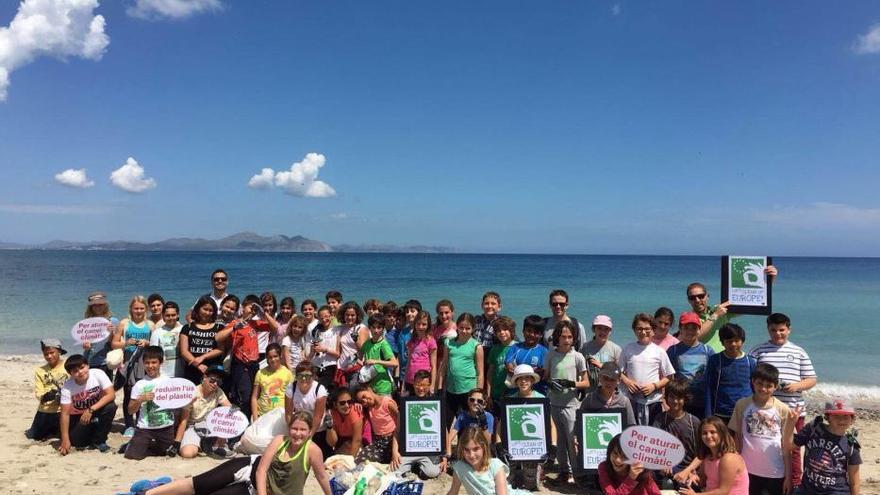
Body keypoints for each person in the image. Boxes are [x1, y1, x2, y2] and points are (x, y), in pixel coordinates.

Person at [141, 411, 332, 495]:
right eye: (294, 428)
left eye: (302, 430)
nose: (297, 434)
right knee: (199, 485)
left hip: (252, 490)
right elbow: (261, 471)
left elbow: (322, 477)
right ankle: (149, 492)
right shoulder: (279, 441)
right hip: (248, 467)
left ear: (309, 432)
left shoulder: (313, 451)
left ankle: (166, 486)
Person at [750, 312, 817, 489]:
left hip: (794, 410)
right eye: (773, 330)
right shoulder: (758, 351)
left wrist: (796, 386)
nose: (778, 334)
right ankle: (771, 478)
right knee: (767, 444)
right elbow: (751, 378)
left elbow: (812, 379)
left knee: (792, 448)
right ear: (768, 330)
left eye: (782, 330)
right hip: (766, 409)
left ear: (789, 330)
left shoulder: (798, 351)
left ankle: (795, 483)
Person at [728, 363, 795, 495]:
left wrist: (788, 477)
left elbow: (787, 447)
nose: (763, 389)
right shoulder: (742, 405)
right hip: (747, 470)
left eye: (769, 386)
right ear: (753, 382)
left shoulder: (783, 409)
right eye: (759, 383)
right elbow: (737, 439)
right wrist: (736, 466)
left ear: (775, 386)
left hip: (776, 472)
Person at [685, 263, 777, 353]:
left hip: (723, 360)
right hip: (702, 362)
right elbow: (694, 337)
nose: (697, 300)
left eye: (700, 296)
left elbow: (751, 303)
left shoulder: (720, 309)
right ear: (688, 300)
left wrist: (768, 280)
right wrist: (715, 315)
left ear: (707, 296)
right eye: (692, 298)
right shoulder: (688, 319)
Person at [216, 294, 279, 419]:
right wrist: (234, 328)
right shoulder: (235, 322)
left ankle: (249, 420)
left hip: (254, 364)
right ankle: (239, 422)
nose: (252, 311)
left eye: (255, 309)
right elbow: (218, 337)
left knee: (253, 395)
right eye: (250, 308)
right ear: (242, 308)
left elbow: (275, 327)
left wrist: (264, 312)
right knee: (243, 396)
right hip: (240, 364)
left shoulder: (255, 323)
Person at [545, 319, 590, 484]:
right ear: (557, 337)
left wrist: (571, 384)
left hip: (571, 404)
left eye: (570, 337)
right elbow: (546, 376)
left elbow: (587, 382)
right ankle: (564, 471)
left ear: (574, 338)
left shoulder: (577, 356)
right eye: (563, 336)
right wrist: (551, 383)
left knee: (572, 440)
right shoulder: (551, 354)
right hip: (554, 402)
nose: (566, 340)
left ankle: (577, 473)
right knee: (560, 441)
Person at [793, 398, 861, 495]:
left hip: (836, 491)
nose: (841, 420)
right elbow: (789, 446)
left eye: (846, 416)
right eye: (836, 416)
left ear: (852, 419)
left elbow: (854, 482)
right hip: (807, 489)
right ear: (827, 417)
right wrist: (791, 423)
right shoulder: (814, 429)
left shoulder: (851, 444)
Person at [618, 313, 675, 425]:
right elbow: (618, 372)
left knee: (653, 433)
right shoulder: (628, 348)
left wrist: (654, 386)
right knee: (632, 433)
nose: (643, 332)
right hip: (631, 400)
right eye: (639, 329)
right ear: (634, 330)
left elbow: (669, 376)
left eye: (647, 329)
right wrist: (628, 382)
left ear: (653, 330)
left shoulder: (659, 351)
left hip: (653, 401)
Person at [112, 295, 155, 435]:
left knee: (144, 392)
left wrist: (147, 343)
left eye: (142, 308)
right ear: (131, 308)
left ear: (146, 309)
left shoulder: (150, 325)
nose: (139, 311)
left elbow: (155, 345)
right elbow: (114, 343)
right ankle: (129, 425)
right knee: (129, 393)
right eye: (136, 308)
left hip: (145, 362)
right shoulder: (124, 323)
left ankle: (141, 422)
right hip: (128, 362)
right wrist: (126, 343)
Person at [58, 354, 118, 455]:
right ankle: (93, 432)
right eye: (75, 371)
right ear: (70, 374)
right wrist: (65, 439)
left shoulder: (98, 374)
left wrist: (91, 410)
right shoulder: (67, 387)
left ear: (88, 365)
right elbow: (65, 414)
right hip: (77, 417)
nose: (80, 372)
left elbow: (111, 394)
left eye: (82, 367)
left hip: (93, 411)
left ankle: (99, 441)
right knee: (78, 443)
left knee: (110, 406)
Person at [447, 426, 532, 495]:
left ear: (483, 447)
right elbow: (453, 491)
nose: (471, 455)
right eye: (467, 450)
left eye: (476, 449)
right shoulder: (460, 468)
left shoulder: (495, 465)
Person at [125, 346, 176, 460]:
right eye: (147, 363)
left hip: (166, 427)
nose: (150, 366)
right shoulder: (140, 385)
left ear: (160, 362)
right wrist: (140, 400)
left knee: (165, 453)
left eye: (154, 362)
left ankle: (144, 444)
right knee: (133, 455)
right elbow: (130, 410)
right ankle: (136, 444)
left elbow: (178, 403)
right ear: (143, 363)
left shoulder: (169, 381)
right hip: (145, 428)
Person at [675, 417, 749, 495]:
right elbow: (703, 482)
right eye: (704, 433)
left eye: (713, 432)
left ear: (721, 434)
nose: (708, 436)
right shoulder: (707, 458)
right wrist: (694, 477)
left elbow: (723, 491)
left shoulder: (729, 459)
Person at [395, 370, 447, 478]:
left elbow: (444, 431)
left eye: (424, 385)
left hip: (429, 451)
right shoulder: (406, 403)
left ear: (429, 385)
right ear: (413, 385)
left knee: (434, 472)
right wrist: (394, 452)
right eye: (418, 384)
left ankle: (420, 469)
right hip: (409, 449)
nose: (421, 388)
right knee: (397, 470)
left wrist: (445, 457)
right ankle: (412, 466)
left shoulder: (435, 403)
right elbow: (397, 431)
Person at [172, 365, 232, 459]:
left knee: (227, 417)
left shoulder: (218, 392)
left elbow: (230, 409)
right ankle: (203, 445)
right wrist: (177, 442)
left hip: (209, 425)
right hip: (192, 426)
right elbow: (183, 421)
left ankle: (217, 445)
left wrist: (234, 413)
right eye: (212, 380)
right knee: (187, 454)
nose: (215, 384)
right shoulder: (192, 393)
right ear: (204, 377)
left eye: (219, 382)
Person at [651, 378, 700, 485]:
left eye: (679, 398)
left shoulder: (693, 422)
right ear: (666, 397)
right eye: (672, 397)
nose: (675, 401)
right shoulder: (660, 419)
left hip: (687, 468)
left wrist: (689, 471)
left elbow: (701, 454)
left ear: (685, 399)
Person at [705, 323, 757, 422]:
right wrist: (708, 415)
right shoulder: (715, 360)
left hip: (745, 413)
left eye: (737, 341)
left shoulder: (751, 362)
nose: (733, 344)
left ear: (742, 341)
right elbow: (709, 387)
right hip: (721, 413)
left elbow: (755, 388)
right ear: (722, 342)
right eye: (729, 341)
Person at [666, 312, 715, 418]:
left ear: (699, 329)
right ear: (680, 329)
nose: (690, 331)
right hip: (680, 402)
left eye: (694, 328)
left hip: (703, 402)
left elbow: (713, 378)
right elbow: (668, 378)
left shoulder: (708, 351)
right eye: (686, 328)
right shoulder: (673, 351)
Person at [439, 312, 484, 422]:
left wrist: (479, 393)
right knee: (446, 421)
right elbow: (444, 365)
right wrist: (439, 386)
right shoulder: (448, 343)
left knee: (468, 423)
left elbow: (480, 372)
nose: (464, 331)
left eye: (467, 328)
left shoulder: (476, 346)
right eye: (461, 328)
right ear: (457, 327)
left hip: (469, 390)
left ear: (473, 329)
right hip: (451, 389)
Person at [284, 361, 332, 458]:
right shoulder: (291, 388)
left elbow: (318, 416)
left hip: (318, 429)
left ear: (314, 376)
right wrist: (291, 431)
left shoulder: (319, 390)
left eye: (308, 376)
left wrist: (310, 435)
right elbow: (288, 413)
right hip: (299, 428)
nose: (304, 379)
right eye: (300, 376)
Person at [26, 338, 69, 440]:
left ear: (59, 351)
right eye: (46, 354)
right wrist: (45, 396)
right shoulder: (40, 371)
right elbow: (38, 392)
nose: (49, 356)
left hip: (64, 409)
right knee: (34, 436)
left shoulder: (68, 366)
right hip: (46, 410)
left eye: (52, 352)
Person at [179, 296, 224, 385]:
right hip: (192, 369)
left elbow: (220, 349)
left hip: (212, 370)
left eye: (210, 310)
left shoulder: (219, 328)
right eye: (205, 309)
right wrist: (198, 365)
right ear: (198, 309)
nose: (207, 313)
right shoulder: (187, 327)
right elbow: (184, 351)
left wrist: (203, 357)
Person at [354, 385, 401, 468]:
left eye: (364, 396)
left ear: (369, 389)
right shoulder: (368, 408)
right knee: (359, 461)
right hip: (378, 443)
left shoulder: (387, 403)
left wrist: (396, 448)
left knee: (395, 465)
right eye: (362, 401)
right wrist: (357, 404)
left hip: (393, 440)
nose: (365, 401)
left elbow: (400, 418)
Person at [578, 362, 636, 426]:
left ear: (619, 381)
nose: (608, 382)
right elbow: (580, 423)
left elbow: (631, 425)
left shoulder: (624, 401)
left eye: (612, 379)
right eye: (605, 378)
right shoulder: (590, 399)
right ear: (599, 378)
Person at [504, 315, 549, 395]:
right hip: (515, 393)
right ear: (523, 331)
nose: (531, 334)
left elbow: (543, 373)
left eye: (536, 332)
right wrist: (532, 371)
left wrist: (519, 370)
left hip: (537, 392)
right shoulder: (515, 348)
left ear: (541, 335)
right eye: (529, 331)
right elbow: (509, 366)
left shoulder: (544, 352)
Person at [446, 388, 495, 461]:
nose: (475, 403)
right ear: (468, 402)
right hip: (467, 450)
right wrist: (448, 454)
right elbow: (449, 438)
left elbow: (488, 441)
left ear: (484, 405)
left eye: (479, 401)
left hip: (481, 450)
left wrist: (483, 423)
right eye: (472, 400)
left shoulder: (488, 417)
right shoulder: (463, 416)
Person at [251, 343, 294, 422]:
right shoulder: (260, 373)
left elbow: (292, 398)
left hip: (280, 416)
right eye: (270, 357)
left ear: (280, 356)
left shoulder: (288, 373)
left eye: (275, 356)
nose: (273, 359)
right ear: (266, 358)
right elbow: (254, 397)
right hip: (262, 415)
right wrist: (255, 418)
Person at [80, 291, 118, 378]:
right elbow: (85, 344)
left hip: (106, 361)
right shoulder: (87, 322)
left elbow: (114, 344)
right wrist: (86, 345)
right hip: (89, 361)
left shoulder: (113, 321)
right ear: (91, 307)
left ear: (105, 305)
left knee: (106, 390)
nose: (98, 307)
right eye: (94, 305)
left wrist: (111, 333)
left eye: (100, 304)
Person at [581, 314, 622, 394]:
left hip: (609, 394)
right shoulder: (585, 347)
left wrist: (602, 367)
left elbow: (619, 373)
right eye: (599, 328)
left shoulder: (615, 349)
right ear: (593, 329)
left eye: (606, 329)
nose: (602, 332)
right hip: (590, 393)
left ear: (610, 331)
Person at [360, 313, 398, 395]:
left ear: (383, 329)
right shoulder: (366, 344)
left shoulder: (384, 344)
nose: (376, 330)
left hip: (383, 386)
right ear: (369, 328)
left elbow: (395, 363)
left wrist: (376, 361)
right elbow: (360, 359)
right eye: (373, 327)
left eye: (379, 328)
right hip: (370, 386)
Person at [485, 316, 517, 417]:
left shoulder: (518, 347)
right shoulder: (495, 349)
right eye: (498, 330)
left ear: (511, 330)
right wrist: (489, 394)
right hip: (495, 394)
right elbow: (490, 373)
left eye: (505, 329)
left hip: (513, 394)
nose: (502, 332)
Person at [403, 310, 438, 395]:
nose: (420, 327)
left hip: (424, 382)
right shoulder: (412, 340)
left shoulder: (431, 341)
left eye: (424, 324)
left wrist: (432, 385)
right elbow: (408, 363)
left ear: (428, 325)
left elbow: (433, 366)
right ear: (415, 324)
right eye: (418, 324)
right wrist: (403, 383)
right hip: (410, 380)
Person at [336, 301, 369, 386]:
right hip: (342, 368)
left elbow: (364, 350)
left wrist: (356, 339)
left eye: (352, 315)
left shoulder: (361, 328)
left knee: (354, 391)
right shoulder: (342, 329)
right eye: (347, 315)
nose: (349, 317)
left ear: (357, 315)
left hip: (356, 368)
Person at [326, 387, 365, 456]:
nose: (347, 405)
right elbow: (332, 442)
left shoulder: (355, 411)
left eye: (349, 402)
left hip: (358, 440)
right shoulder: (332, 413)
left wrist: (350, 460)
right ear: (335, 404)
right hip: (343, 441)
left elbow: (357, 440)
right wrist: (329, 427)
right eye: (342, 403)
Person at [309, 305, 340, 390]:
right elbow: (312, 352)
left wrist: (324, 350)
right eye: (321, 318)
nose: (324, 319)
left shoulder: (337, 331)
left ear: (332, 316)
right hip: (315, 365)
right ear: (318, 318)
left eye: (326, 316)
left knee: (322, 390)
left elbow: (338, 354)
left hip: (330, 366)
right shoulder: (316, 332)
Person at [150, 301, 183, 377]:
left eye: (173, 315)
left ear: (178, 315)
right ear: (163, 316)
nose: (171, 318)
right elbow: (153, 355)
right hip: (163, 374)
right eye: (167, 315)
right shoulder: (157, 333)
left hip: (182, 373)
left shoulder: (183, 330)